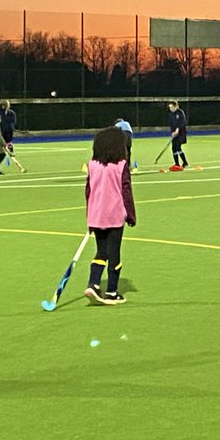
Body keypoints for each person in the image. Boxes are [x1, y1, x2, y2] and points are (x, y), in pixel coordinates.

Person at [84, 126, 137, 305]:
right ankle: (112, 291)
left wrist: (89, 216)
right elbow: (126, 190)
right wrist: (130, 215)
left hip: (96, 215)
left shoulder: (92, 165)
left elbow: (88, 191)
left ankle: (93, 284)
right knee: (114, 254)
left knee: (101, 251)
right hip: (114, 214)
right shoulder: (121, 166)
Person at [167, 101, 188, 169]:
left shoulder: (180, 112)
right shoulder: (170, 114)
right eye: (170, 107)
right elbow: (171, 124)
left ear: (176, 106)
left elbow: (183, 122)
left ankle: (185, 163)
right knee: (174, 148)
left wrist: (177, 129)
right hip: (174, 134)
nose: (171, 109)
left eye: (172, 107)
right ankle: (177, 164)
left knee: (178, 147)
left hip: (181, 133)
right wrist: (172, 132)